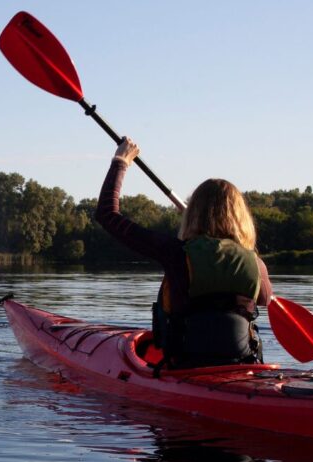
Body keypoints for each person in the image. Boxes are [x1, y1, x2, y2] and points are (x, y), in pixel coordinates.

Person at [96, 138, 273, 369]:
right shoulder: (256, 264)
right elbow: (265, 299)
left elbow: (107, 214)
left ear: (192, 214)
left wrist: (121, 161)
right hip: (242, 366)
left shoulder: (175, 253)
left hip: (185, 367)